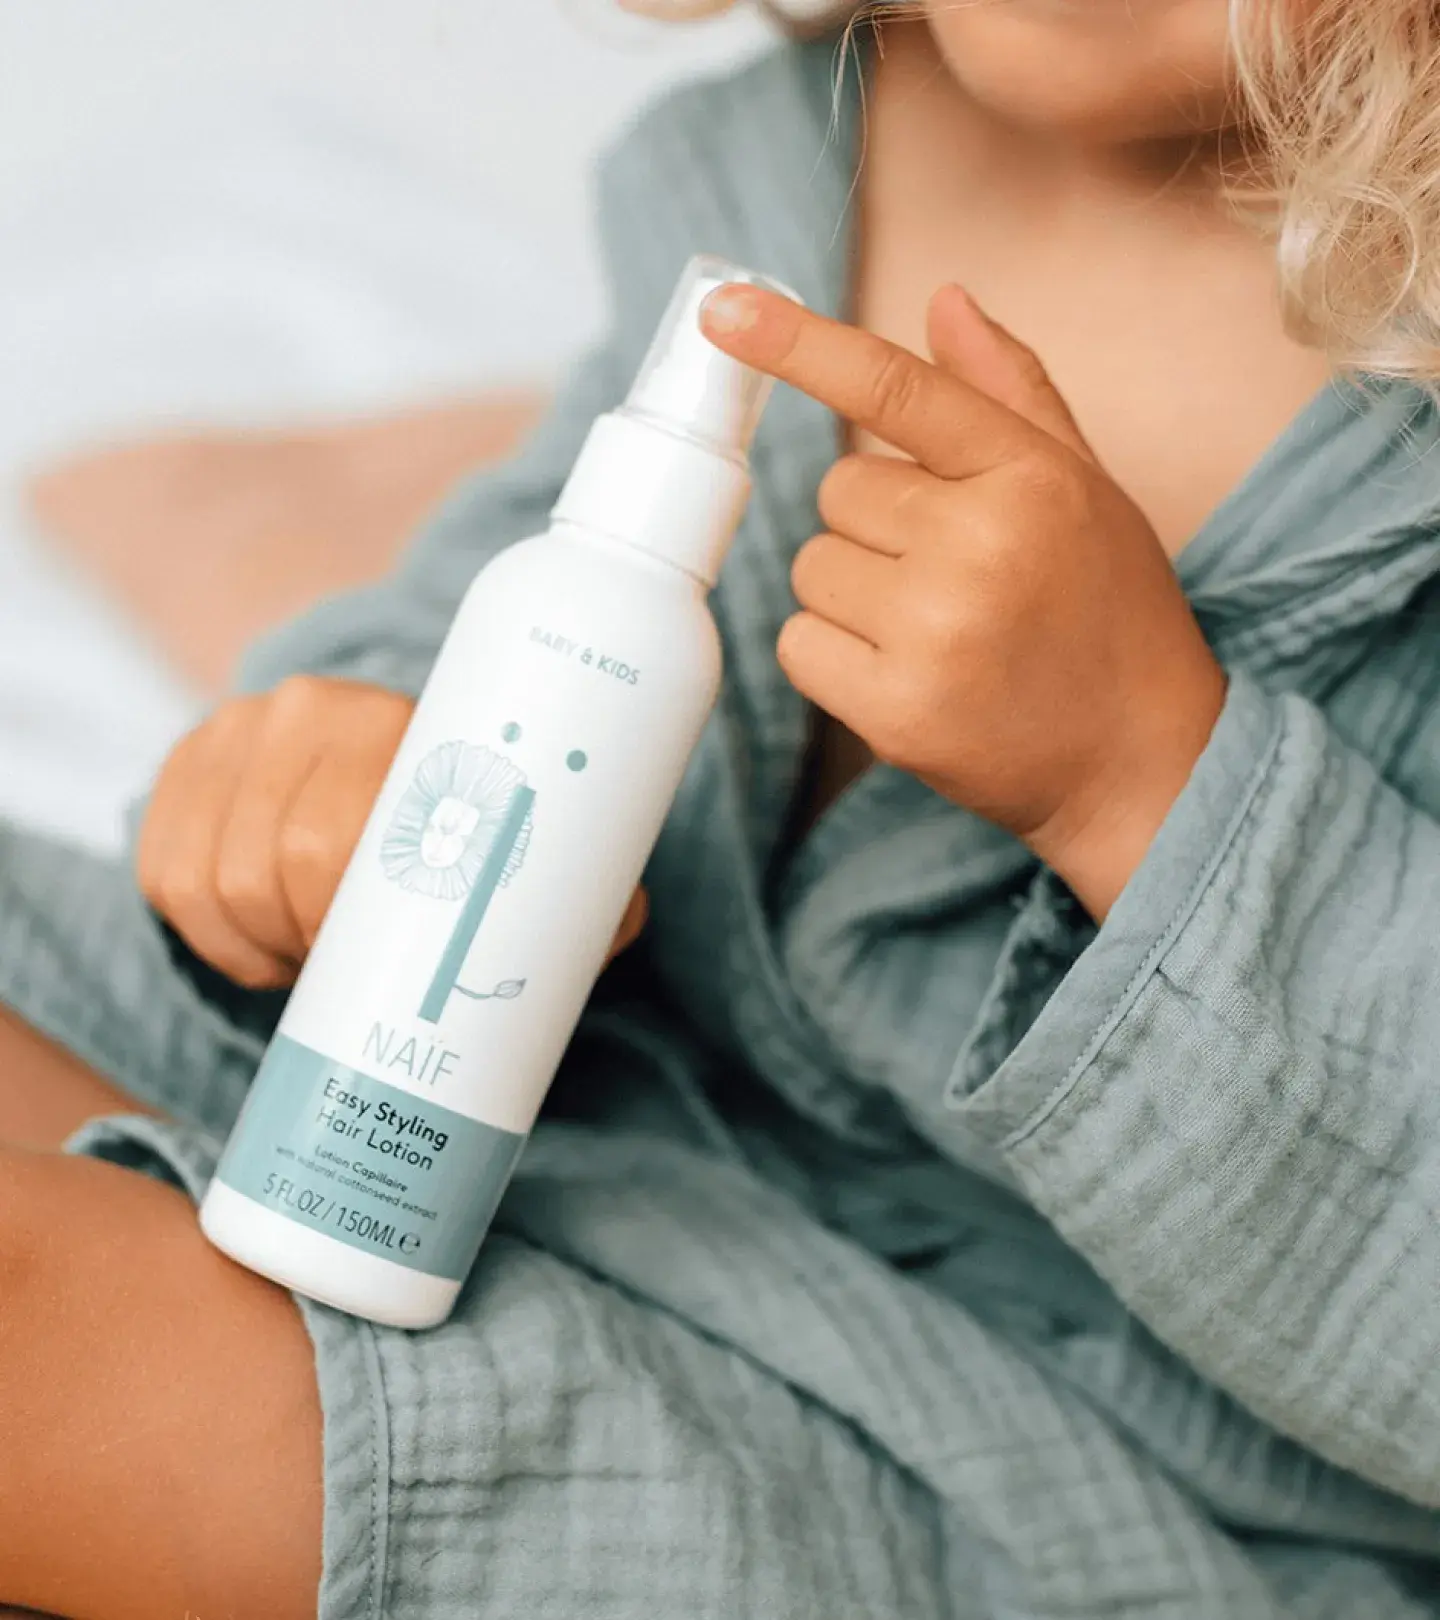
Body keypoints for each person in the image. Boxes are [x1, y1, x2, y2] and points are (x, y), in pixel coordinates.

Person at [3, 1, 1440, 1615]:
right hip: (575, 1126)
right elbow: (547, 571)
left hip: (1043, 1474)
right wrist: (339, 770)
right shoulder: (786, 152)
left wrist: (1143, 780)